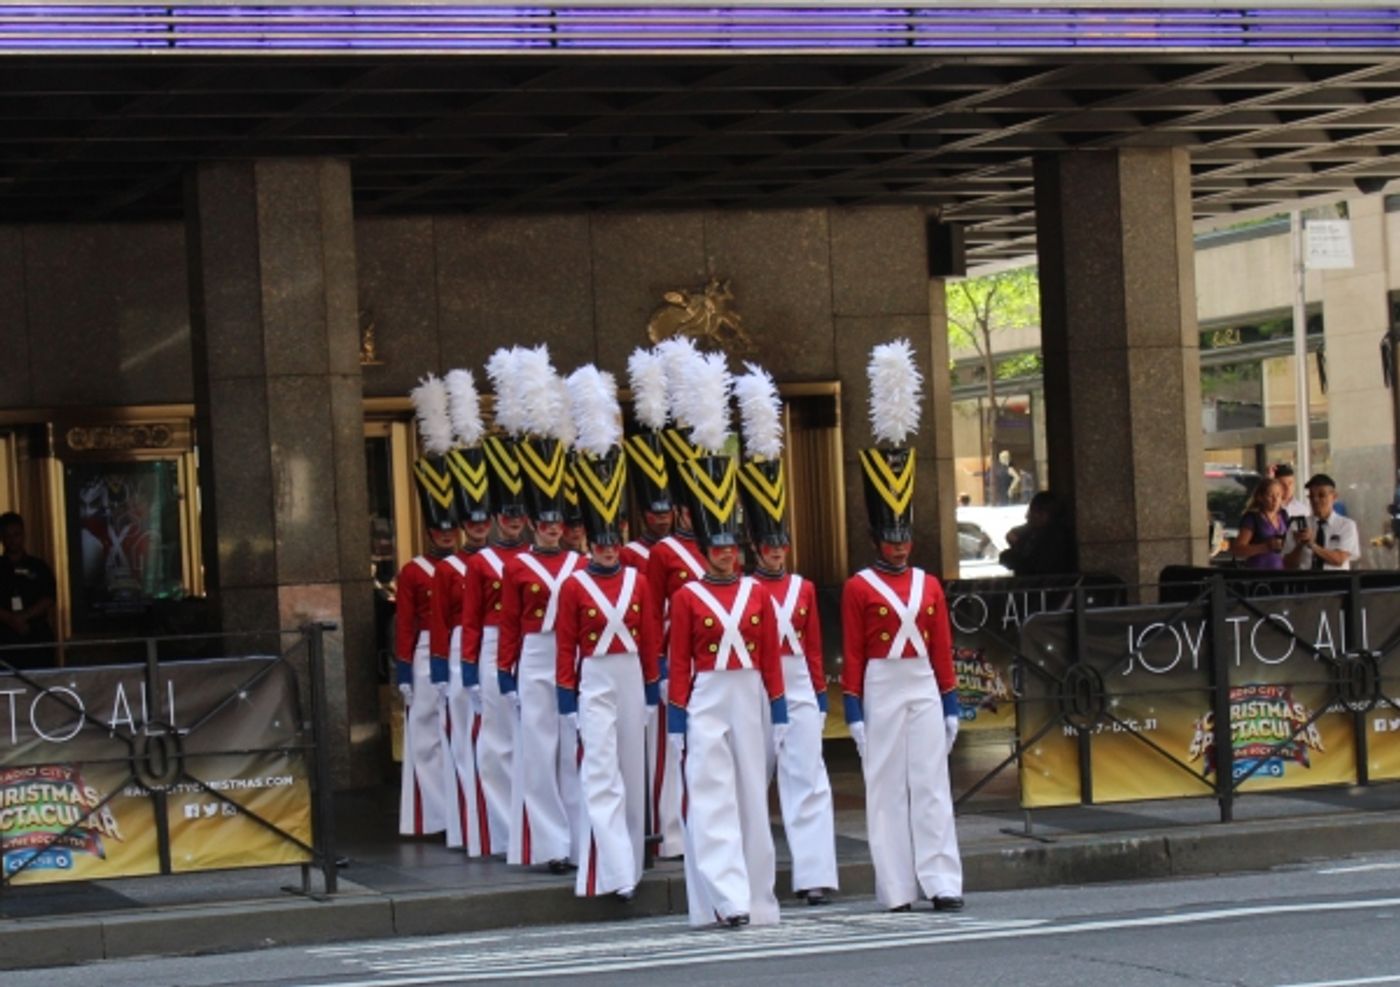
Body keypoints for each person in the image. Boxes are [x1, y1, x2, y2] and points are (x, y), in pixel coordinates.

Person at [843, 338, 963, 914]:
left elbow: (941, 646)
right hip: (881, 686)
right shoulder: (858, 586)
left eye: (904, 536)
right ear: (875, 540)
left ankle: (942, 881)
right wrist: (853, 710)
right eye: (889, 537)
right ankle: (895, 888)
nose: (897, 544)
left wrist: (950, 699)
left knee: (931, 785)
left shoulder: (930, 584)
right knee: (884, 790)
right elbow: (855, 654)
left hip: (919, 682)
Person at [668, 449, 787, 928]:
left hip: (750, 694)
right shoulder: (686, 596)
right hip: (707, 697)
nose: (726, 554)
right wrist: (677, 719)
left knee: (753, 799)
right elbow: (679, 662)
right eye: (717, 547)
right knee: (711, 794)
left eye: (731, 546)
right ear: (704, 549)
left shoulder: (756, 593)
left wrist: (778, 711)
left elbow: (770, 658)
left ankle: (757, 897)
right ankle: (725, 897)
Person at [734, 368, 839, 906]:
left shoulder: (801, 586)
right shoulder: (743, 589)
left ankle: (815, 873)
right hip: (754, 686)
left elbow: (814, 646)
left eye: (782, 543)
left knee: (808, 776)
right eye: (769, 545)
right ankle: (753, 877)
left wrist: (819, 696)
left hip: (797, 686)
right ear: (755, 546)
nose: (777, 552)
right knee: (752, 783)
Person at [554, 379, 661, 899]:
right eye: (598, 542)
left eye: (612, 540)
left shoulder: (639, 580)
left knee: (632, 773)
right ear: (588, 543)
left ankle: (631, 862)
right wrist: (565, 697)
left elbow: (649, 639)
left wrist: (653, 687)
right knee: (600, 772)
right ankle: (609, 866)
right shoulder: (574, 586)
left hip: (632, 677)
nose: (606, 549)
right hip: (594, 677)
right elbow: (566, 646)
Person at [497, 384, 585, 872]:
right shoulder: (519, 567)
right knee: (538, 746)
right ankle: (549, 843)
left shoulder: (580, 563)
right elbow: (509, 623)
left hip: (570, 658)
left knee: (573, 745)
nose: (552, 529)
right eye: (545, 522)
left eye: (558, 523)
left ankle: (577, 836)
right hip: (533, 656)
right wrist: (505, 672)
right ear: (532, 524)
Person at [0, 512, 57, 670]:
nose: (12, 540)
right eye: (7, 535)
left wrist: (23, 617)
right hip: (4, 641)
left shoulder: (38, 566)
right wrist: (11, 619)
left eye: (16, 534)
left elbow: (49, 597)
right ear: (1, 537)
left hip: (36, 638)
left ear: (24, 535)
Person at [1284, 473, 1361, 571]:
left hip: (1336, 583)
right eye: (1311, 496)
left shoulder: (1346, 525)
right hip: (1306, 582)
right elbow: (1288, 564)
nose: (1315, 500)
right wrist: (1300, 545)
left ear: (1334, 497)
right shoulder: (1298, 524)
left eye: (1321, 495)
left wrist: (1312, 545)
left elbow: (1339, 560)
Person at [998, 491, 1077, 576]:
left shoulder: (1055, 538)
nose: (1028, 516)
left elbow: (1030, 563)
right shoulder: (1033, 532)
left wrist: (1017, 546)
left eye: (1033, 512)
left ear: (1045, 514)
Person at [1230, 477, 1289, 570]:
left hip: (1280, 570)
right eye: (1270, 495)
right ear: (1260, 497)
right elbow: (1238, 549)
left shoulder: (1283, 515)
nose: (1275, 500)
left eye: (1278, 495)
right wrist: (1264, 547)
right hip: (1258, 571)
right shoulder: (1252, 518)